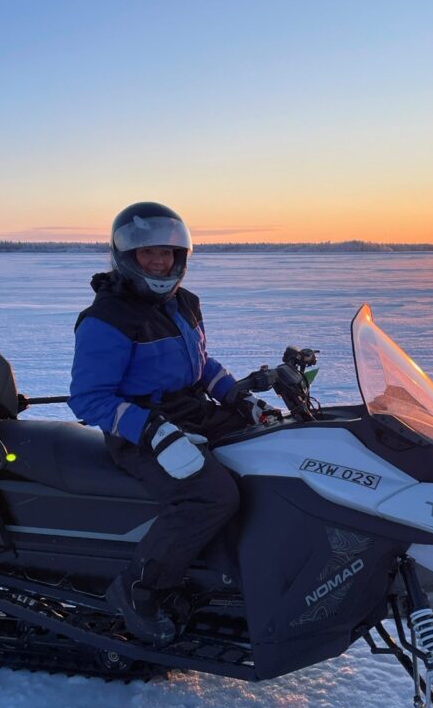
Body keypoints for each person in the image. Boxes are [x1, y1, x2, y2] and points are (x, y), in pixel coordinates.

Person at [69, 201, 278, 645]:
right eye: (149, 254)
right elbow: (89, 399)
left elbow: (199, 366)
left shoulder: (182, 303)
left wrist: (239, 398)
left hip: (189, 411)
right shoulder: (106, 320)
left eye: (167, 253)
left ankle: (238, 570)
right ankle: (139, 589)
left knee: (271, 450)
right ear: (127, 258)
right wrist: (152, 432)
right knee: (209, 494)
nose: (159, 262)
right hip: (137, 428)